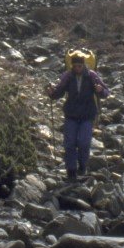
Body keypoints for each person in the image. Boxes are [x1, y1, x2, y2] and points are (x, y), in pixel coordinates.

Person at [47, 51, 109, 180]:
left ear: (83, 65)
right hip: (71, 115)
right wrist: (51, 93)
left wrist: (100, 90)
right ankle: (71, 171)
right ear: (72, 66)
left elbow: (105, 92)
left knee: (83, 142)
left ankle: (82, 166)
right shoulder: (68, 76)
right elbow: (58, 93)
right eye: (75, 66)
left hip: (87, 115)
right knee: (69, 143)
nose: (77, 68)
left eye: (79, 66)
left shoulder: (92, 76)